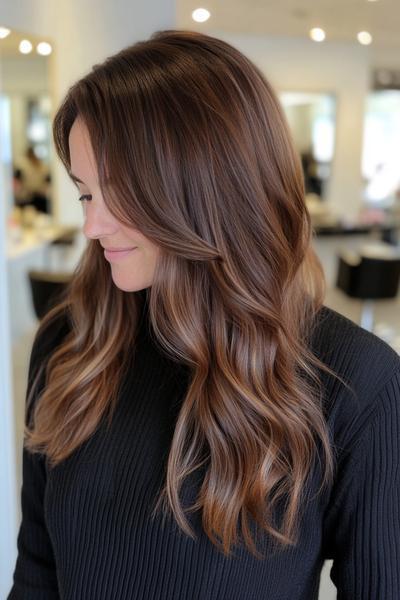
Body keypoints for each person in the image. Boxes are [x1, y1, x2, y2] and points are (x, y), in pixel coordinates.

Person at [8, 30, 400, 600]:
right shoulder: (72, 343)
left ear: (207, 190)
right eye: (86, 194)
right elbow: (38, 570)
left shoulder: (355, 383)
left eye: (119, 193)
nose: (92, 228)